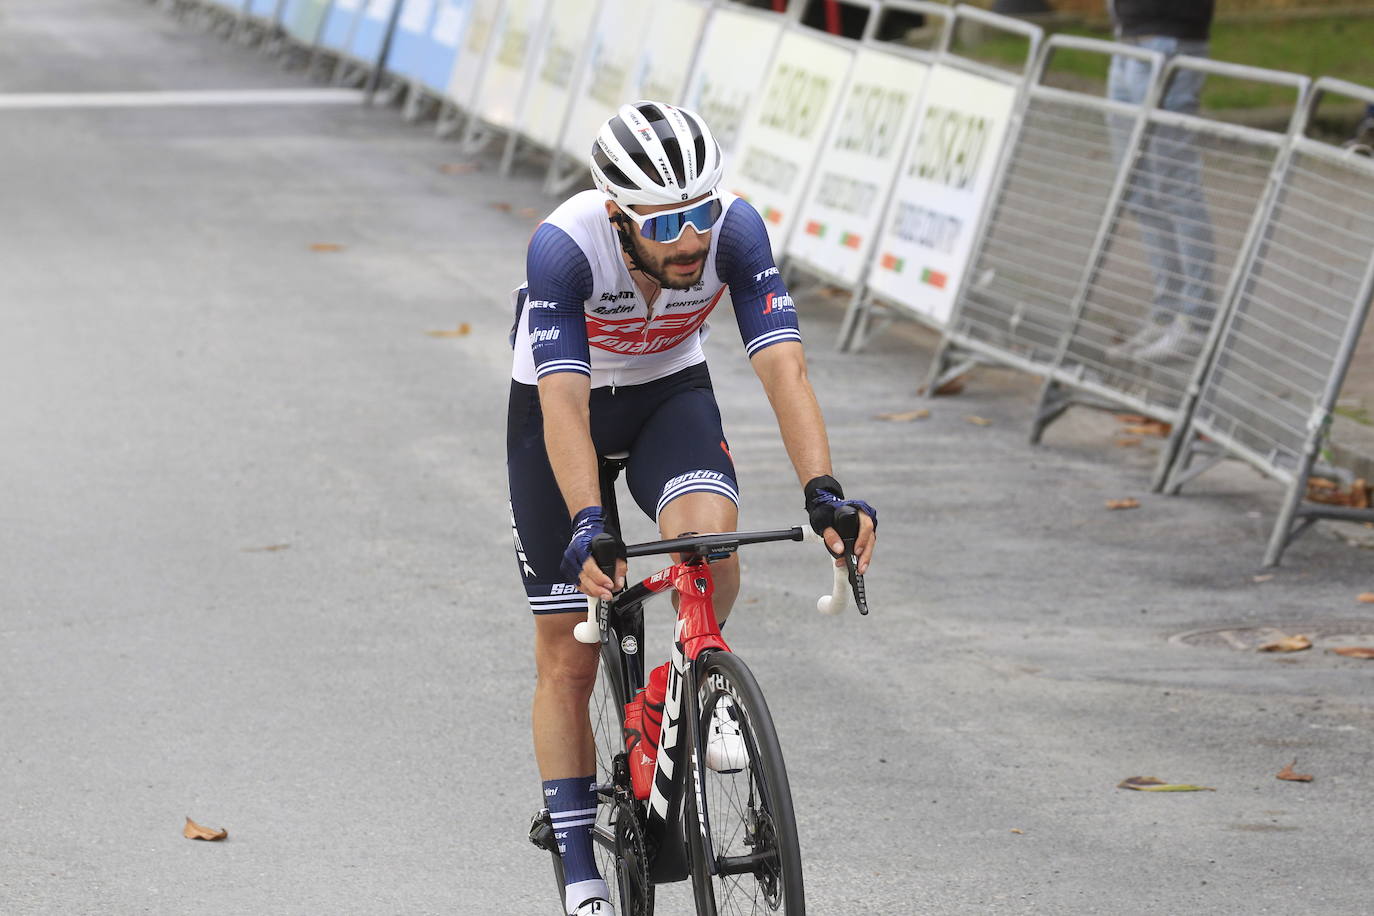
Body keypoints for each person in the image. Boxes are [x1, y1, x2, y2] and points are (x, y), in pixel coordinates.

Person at [506, 101, 878, 916]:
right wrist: (588, 524)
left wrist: (823, 491)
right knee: (568, 654)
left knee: (711, 542)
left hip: (666, 393)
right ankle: (580, 868)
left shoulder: (736, 233)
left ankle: (689, 675)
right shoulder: (564, 247)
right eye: (666, 223)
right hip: (562, 412)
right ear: (619, 217)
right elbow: (562, 405)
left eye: (700, 213)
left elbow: (784, 367)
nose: (691, 240)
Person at [1106, 0, 1217, 362]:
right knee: (1138, 191)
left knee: (1175, 188)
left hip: (1169, 41)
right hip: (1129, 41)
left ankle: (1196, 319)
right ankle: (1167, 312)